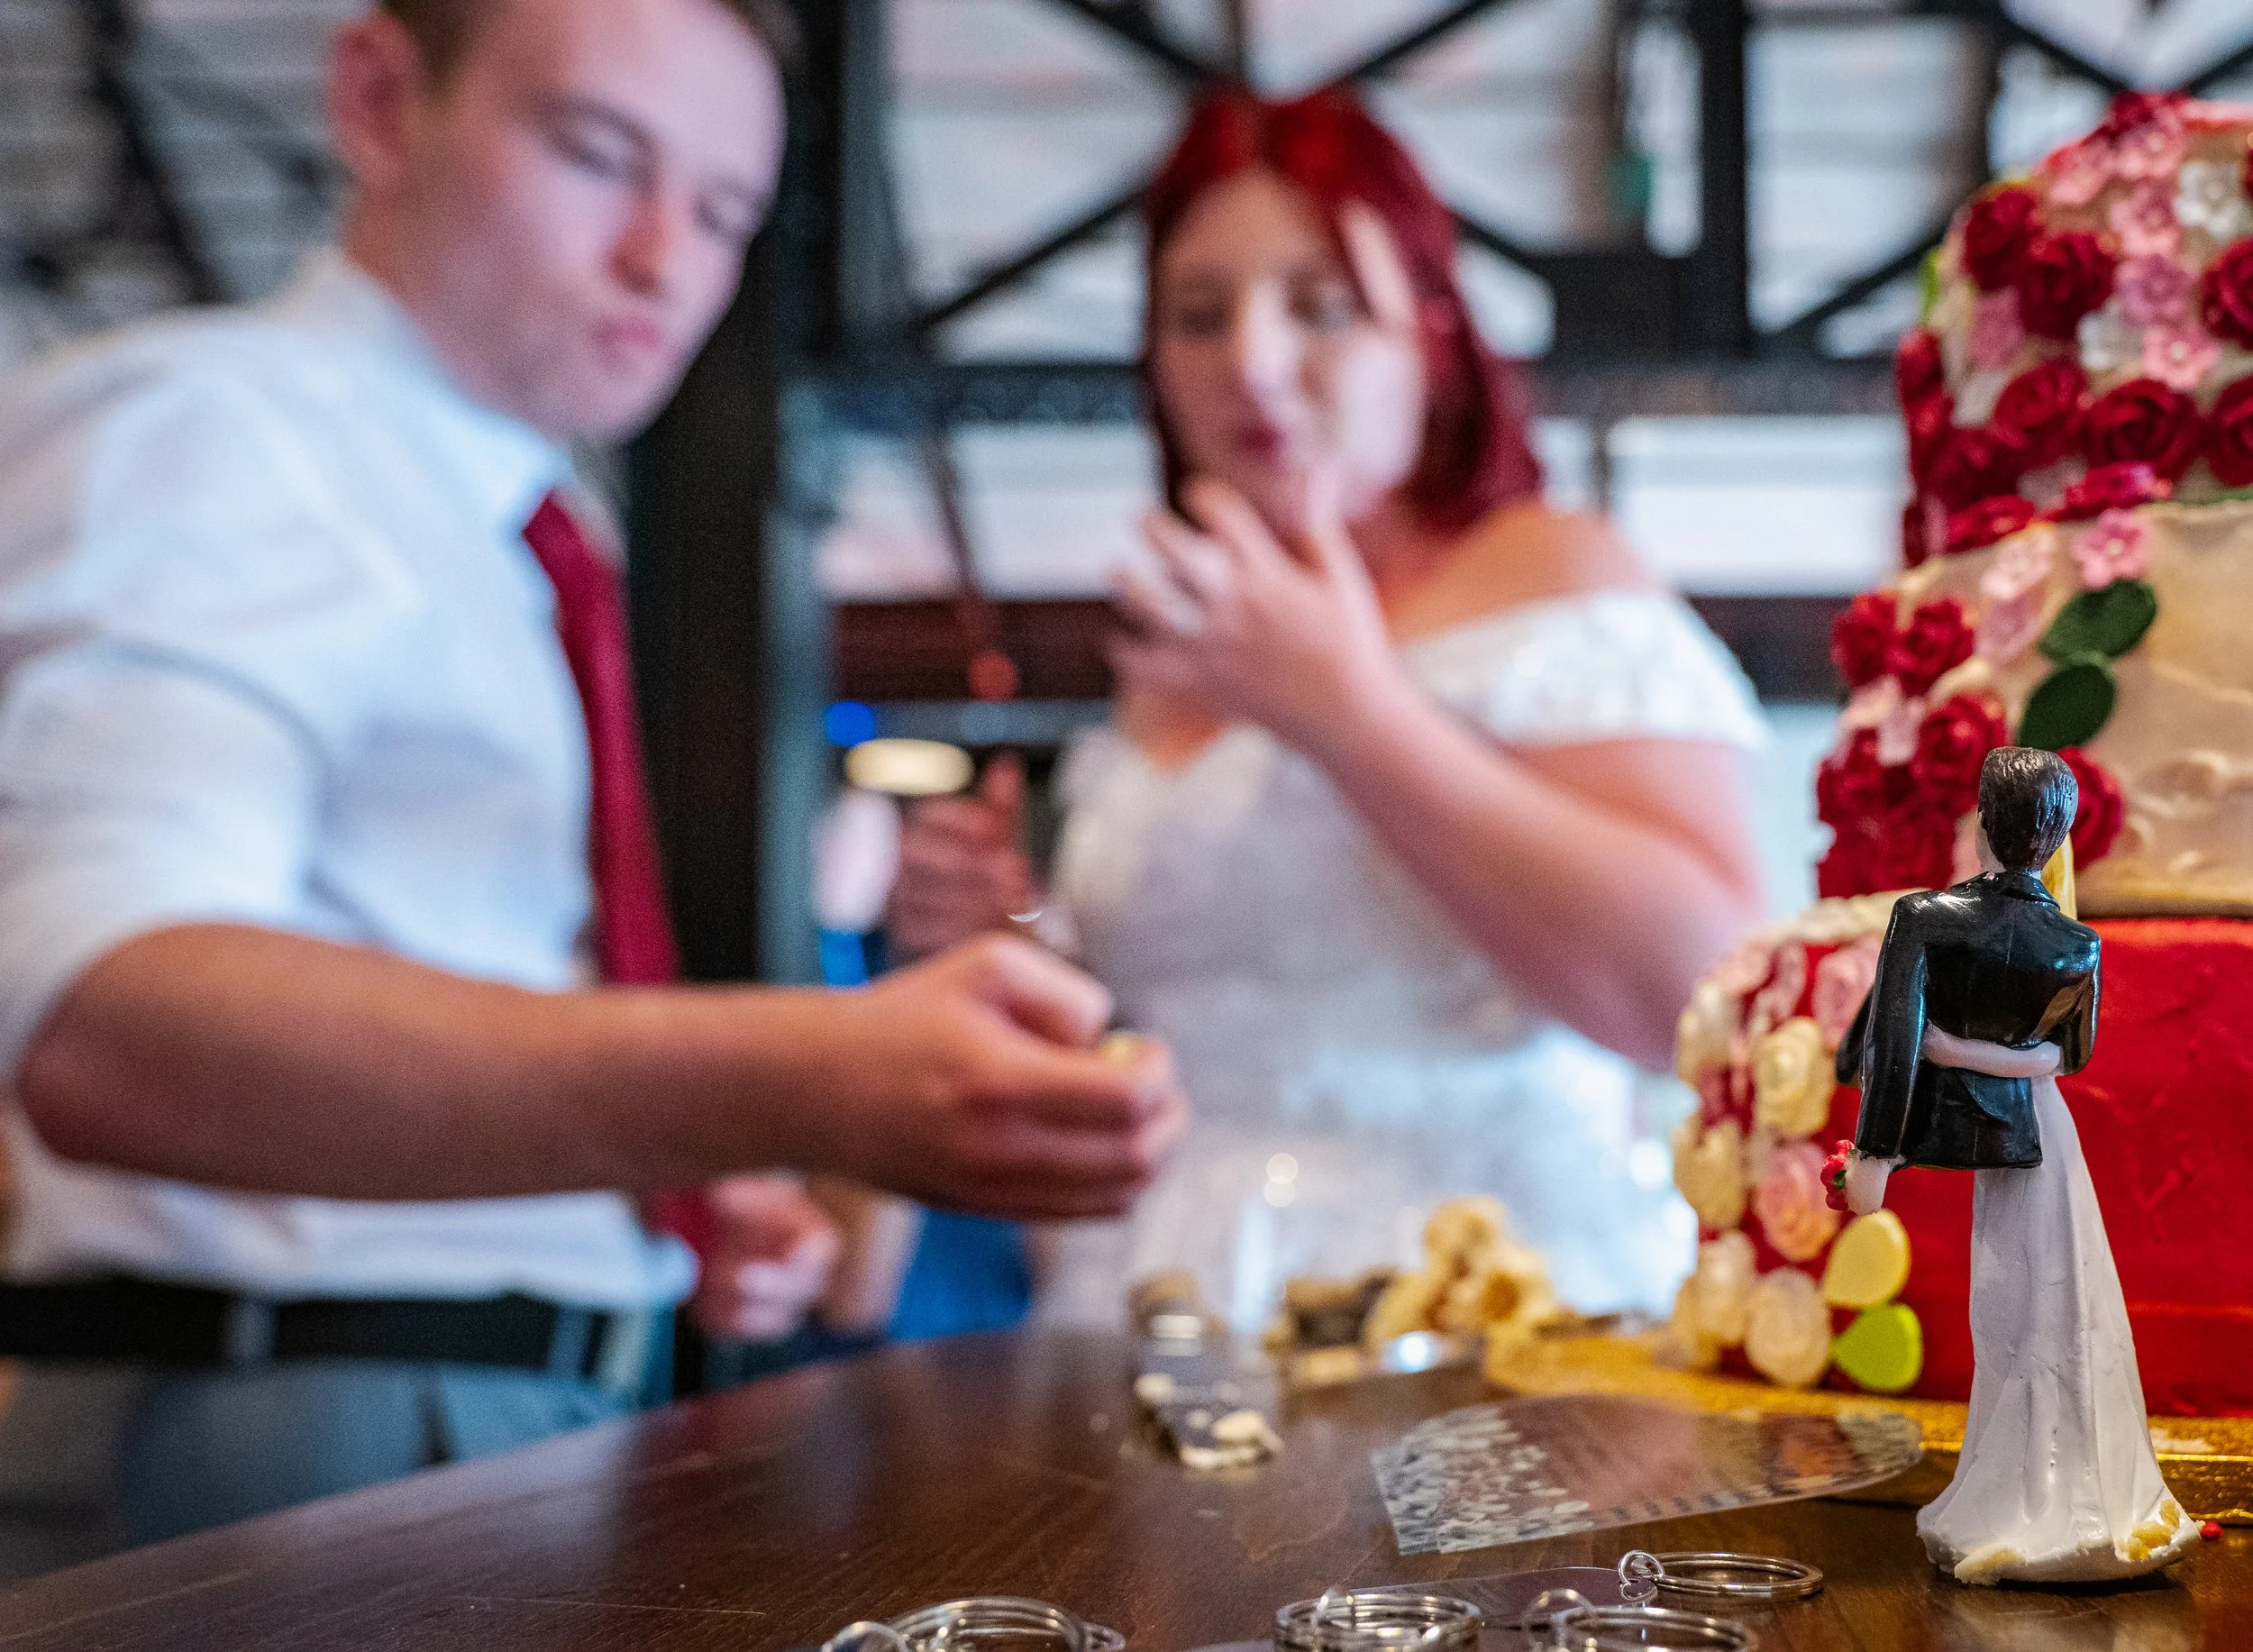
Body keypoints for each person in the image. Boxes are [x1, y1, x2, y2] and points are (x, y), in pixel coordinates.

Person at [0, 0, 1183, 1571]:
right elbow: (102, 1015)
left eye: (722, 213)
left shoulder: (516, 530)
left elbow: (430, 960)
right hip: (302, 1422)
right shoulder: (216, 431)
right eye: (596, 154)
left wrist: (656, 1183)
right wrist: (790, 1076)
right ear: (376, 97)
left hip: (463, 1401)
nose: (662, 260)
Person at [888, 87, 1767, 1333]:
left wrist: (1347, 711)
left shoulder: (1550, 568)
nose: (1247, 360)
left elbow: (1703, 997)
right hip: (1156, 1306)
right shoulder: (1163, 651)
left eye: (1320, 306)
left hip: (1498, 1313)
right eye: (1198, 316)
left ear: (1432, 337)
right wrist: (1016, 931)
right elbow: (1178, 1023)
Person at [1839, 747, 2197, 1584]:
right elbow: (2064, 1058)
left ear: (1980, 825)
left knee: (2012, 1308)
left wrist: (1877, 1155)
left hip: (2003, 1139)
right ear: (2059, 836)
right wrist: (1992, 1051)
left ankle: (2022, 1492)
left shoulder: (1925, 917)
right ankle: (2035, 1477)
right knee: (2047, 1299)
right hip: (2047, 1134)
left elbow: (1896, 1045)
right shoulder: (2076, 942)